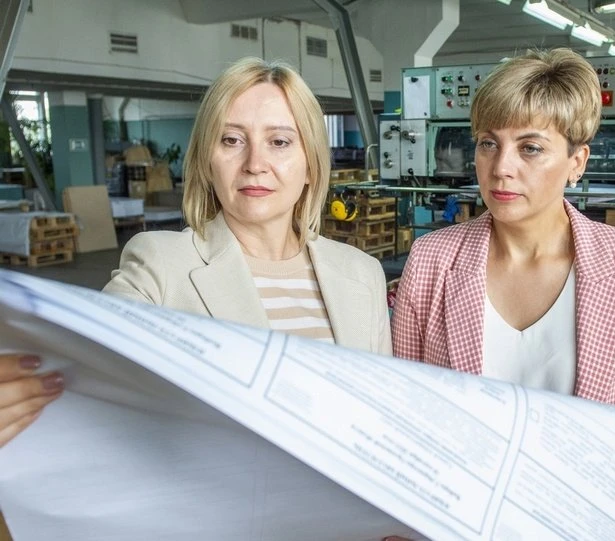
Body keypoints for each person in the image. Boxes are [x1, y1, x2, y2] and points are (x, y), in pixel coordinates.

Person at [0, 57, 391, 447]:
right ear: (207, 161)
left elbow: (382, 418)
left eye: (279, 142)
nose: (255, 164)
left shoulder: (362, 273)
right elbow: (86, 371)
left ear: (311, 164)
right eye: (231, 140)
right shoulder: (159, 267)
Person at [391, 48, 615, 421]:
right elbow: (406, 408)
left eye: (531, 148)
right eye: (489, 143)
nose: (501, 168)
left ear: (577, 163)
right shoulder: (431, 260)